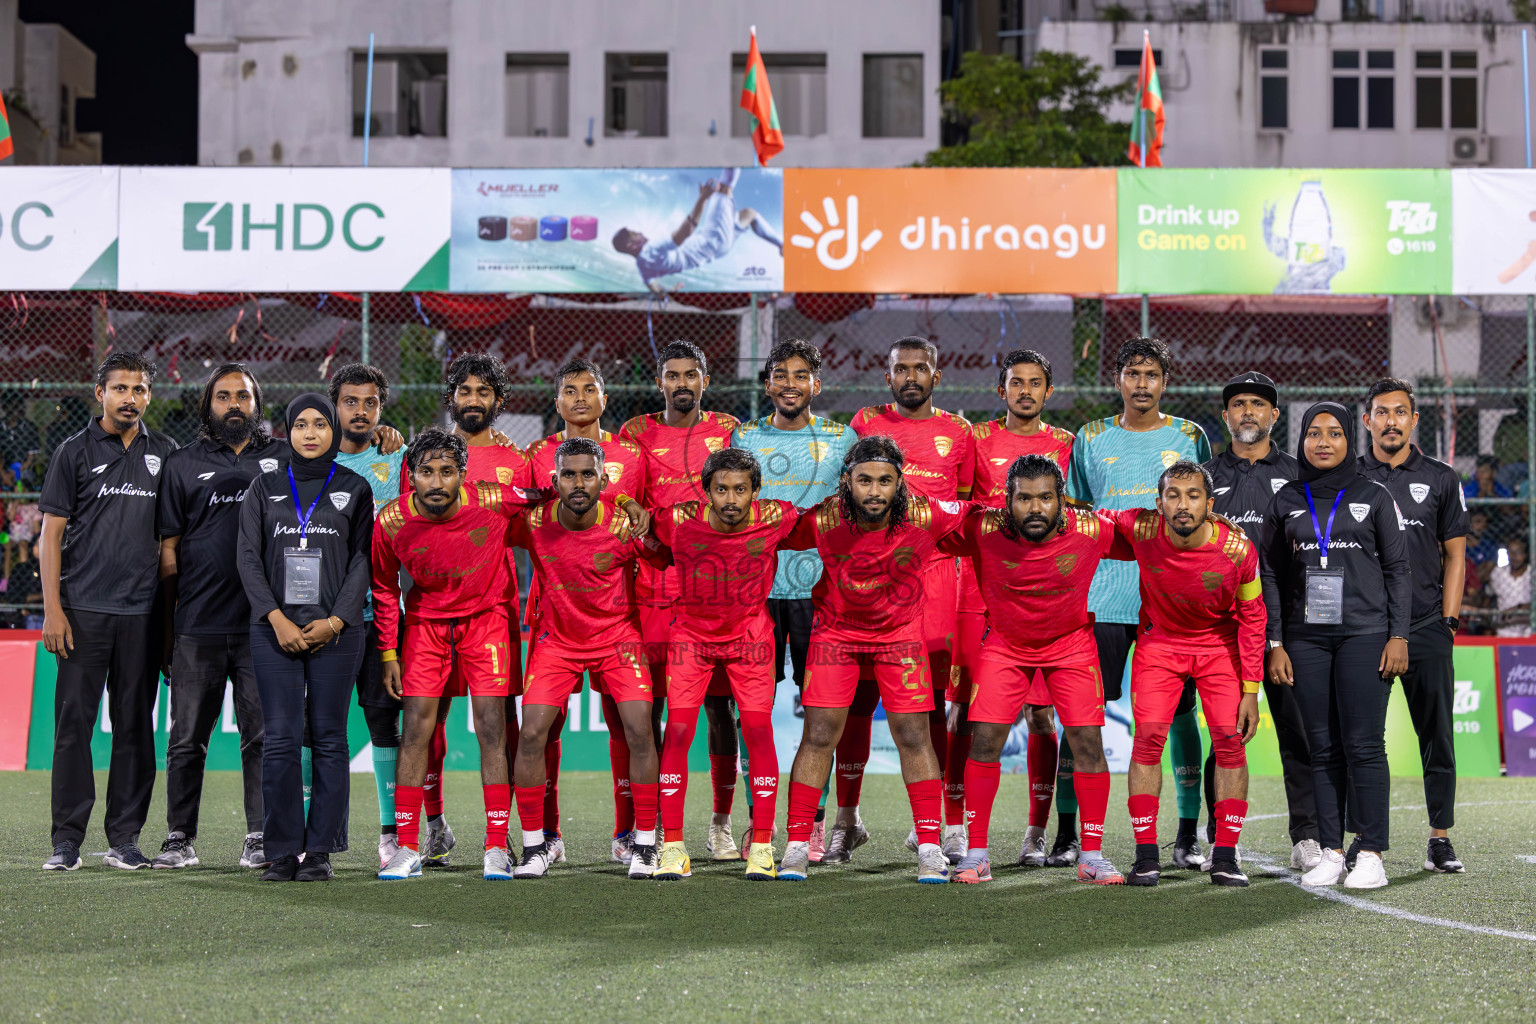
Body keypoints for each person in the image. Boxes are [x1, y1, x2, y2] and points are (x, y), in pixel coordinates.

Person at [775, 435, 970, 884]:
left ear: (901, 482)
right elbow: (767, 528)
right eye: (864, 480)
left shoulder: (927, 514)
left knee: (913, 735)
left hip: (899, 637)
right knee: (819, 733)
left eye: (885, 481)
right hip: (836, 635)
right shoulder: (824, 518)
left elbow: (984, 517)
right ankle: (798, 845)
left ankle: (928, 847)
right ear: (848, 481)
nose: (875, 491)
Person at [938, 455, 1123, 885]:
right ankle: (977, 853)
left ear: (1062, 500)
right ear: (1008, 500)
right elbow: (925, 523)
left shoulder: (1092, 529)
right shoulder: (982, 528)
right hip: (1005, 646)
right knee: (982, 741)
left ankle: (1092, 855)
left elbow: (1151, 530)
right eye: (1024, 498)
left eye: (1045, 498)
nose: (1035, 508)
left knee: (1089, 746)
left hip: (1071, 646)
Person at [371, 429, 547, 881]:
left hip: (486, 622)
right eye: (426, 472)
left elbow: (549, 492)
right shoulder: (390, 521)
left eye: (446, 472)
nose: (436, 482)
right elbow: (385, 588)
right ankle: (407, 848)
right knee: (415, 732)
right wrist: (388, 652)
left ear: (463, 475)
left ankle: (494, 847)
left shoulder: (493, 499)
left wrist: (626, 508)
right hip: (426, 626)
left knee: (492, 728)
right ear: (410, 477)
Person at [1065, 336, 1212, 870]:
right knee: (1082, 716)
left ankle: (1187, 835)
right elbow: (1077, 515)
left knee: (1179, 717)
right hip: (1102, 597)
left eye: (1152, 374)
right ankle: (1067, 835)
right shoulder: (1090, 437)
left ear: (1165, 382)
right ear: (1119, 380)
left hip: (1167, 602)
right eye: (1132, 373)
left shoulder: (1189, 436)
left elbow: (1201, 516)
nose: (1142, 384)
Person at [1261, 402, 1411, 890]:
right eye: (1313, 434)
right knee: (1321, 747)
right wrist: (1277, 641)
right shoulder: (1285, 499)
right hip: (1305, 640)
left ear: (1351, 440)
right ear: (1301, 440)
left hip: (1366, 636)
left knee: (1364, 745)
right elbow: (1270, 575)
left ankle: (1370, 851)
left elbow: (1398, 571)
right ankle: (1330, 851)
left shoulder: (1375, 494)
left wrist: (1399, 635)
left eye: (1335, 433)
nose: (1323, 442)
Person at [39, 352, 178, 871]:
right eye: (120, 388)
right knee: (73, 726)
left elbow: (171, 545)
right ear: (100, 393)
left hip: (141, 615)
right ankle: (66, 842)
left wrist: (168, 622)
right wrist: (52, 609)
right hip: (81, 612)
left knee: (135, 726)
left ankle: (125, 837)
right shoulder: (72, 452)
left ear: (148, 396)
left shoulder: (165, 452)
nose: (130, 398)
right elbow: (51, 536)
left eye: (139, 389)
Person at [505, 438, 665, 879]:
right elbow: (489, 509)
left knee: (639, 728)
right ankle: (536, 845)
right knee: (532, 731)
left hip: (617, 638)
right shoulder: (534, 521)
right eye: (569, 475)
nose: (579, 483)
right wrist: (530, 494)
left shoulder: (622, 526)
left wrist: (643, 524)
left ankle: (646, 844)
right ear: (554, 480)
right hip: (557, 640)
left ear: (604, 479)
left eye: (588, 474)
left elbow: (666, 557)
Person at [236, 393, 375, 882]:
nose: (311, 433)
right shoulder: (264, 488)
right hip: (274, 632)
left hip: (337, 633)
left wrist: (337, 621)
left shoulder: (354, 488)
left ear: (333, 431)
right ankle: (281, 851)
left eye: (320, 423)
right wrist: (276, 618)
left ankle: (319, 851)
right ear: (287, 431)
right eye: (300, 424)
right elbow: (248, 560)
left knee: (331, 739)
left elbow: (363, 561)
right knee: (280, 740)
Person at [647, 448, 803, 882]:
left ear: (756, 491)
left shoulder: (777, 517)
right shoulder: (677, 521)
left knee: (756, 730)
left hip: (751, 637)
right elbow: (645, 528)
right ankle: (674, 847)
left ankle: (762, 847)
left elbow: (821, 529)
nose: (730, 499)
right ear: (706, 492)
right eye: (721, 490)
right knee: (678, 730)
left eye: (740, 490)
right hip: (691, 636)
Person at [1110, 462, 1265, 888]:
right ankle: (1145, 857)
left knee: (1230, 744)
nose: (1182, 504)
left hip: (1219, 646)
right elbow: (1085, 524)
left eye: (1193, 495)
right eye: (1173, 495)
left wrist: (1250, 689)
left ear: (1210, 505)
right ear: (1159, 503)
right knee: (1146, 741)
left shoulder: (1237, 550)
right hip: (1160, 644)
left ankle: (1226, 857)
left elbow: (1253, 618)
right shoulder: (1142, 529)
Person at [850, 337, 974, 862]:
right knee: (859, 698)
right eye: (901, 368)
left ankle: (947, 822)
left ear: (936, 376)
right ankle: (845, 819)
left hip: (942, 583)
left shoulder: (959, 432)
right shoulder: (865, 423)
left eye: (920, 368)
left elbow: (965, 511)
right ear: (888, 377)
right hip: (877, 584)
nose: (911, 377)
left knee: (943, 706)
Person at [732, 339, 857, 862]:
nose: (789, 383)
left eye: (800, 375)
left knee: (821, 714)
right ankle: (756, 823)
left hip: (818, 595)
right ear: (768, 385)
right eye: (780, 374)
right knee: (749, 714)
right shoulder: (743, 437)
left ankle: (812, 823)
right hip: (755, 592)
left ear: (816, 385)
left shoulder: (842, 438)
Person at [152, 364, 280, 872]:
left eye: (242, 396)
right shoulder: (182, 464)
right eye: (223, 396)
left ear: (256, 404)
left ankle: (260, 836)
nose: (233, 405)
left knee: (263, 737)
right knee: (186, 740)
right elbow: (167, 554)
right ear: (208, 406)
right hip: (197, 626)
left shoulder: (284, 457)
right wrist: (167, 631)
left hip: (263, 627)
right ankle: (179, 837)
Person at [619, 340, 743, 861]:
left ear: (705, 380)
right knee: (650, 714)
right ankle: (642, 831)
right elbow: (622, 491)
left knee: (719, 710)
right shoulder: (635, 434)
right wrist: (628, 502)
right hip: (651, 588)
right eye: (673, 375)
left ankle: (719, 824)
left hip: (712, 592)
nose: (682, 384)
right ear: (660, 381)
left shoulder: (729, 430)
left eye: (691, 374)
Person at [525, 358, 647, 861]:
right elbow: (524, 511)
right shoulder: (535, 455)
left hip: (615, 603)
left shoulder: (632, 454)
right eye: (569, 390)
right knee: (543, 726)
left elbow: (641, 519)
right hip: (553, 604)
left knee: (628, 723)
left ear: (604, 397)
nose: (579, 398)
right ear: (556, 402)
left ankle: (629, 836)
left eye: (589, 389)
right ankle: (546, 836)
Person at [963, 349, 1075, 868]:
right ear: (1000, 389)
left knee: (1042, 716)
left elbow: (1075, 516)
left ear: (1048, 392)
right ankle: (959, 832)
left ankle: (1036, 831)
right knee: (970, 713)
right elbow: (965, 512)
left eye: (1035, 383)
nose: (1025, 391)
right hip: (985, 594)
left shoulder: (1067, 445)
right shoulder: (976, 439)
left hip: (1048, 595)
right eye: (1016, 383)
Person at [1204, 371, 1319, 873]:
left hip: (1289, 630)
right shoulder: (1203, 478)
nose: (1247, 412)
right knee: (1224, 735)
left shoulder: (1300, 474)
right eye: (1238, 404)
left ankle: (1308, 837)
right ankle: (1215, 840)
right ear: (1225, 416)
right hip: (1221, 632)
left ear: (1275, 415)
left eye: (1258, 404)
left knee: (1299, 732)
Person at [1358, 377, 1469, 874]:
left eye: (1400, 412)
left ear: (1414, 419)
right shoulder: (1348, 476)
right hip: (1366, 629)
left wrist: (1446, 621)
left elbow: (1456, 555)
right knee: (1359, 740)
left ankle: (1440, 837)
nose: (1391, 421)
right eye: (1381, 412)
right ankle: (1361, 841)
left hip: (1425, 626)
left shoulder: (1442, 478)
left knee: (1437, 737)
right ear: (1367, 422)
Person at [434, 353, 531, 866]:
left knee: (497, 724)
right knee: (426, 723)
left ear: (498, 401)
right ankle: (432, 825)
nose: (473, 400)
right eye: (465, 391)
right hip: (429, 610)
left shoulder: (517, 463)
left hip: (492, 608)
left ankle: (500, 838)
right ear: (452, 396)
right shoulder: (424, 455)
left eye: (483, 392)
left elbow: (532, 534)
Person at [329, 363, 411, 870]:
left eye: (371, 403)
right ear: (333, 405)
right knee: (321, 727)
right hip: (325, 620)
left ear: (381, 408)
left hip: (382, 617)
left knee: (385, 724)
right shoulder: (309, 456)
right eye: (350, 402)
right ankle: (317, 835)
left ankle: (391, 836)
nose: (360, 411)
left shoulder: (397, 457)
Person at [612, 168, 783, 293]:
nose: (640, 232)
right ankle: (735, 151)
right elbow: (685, 232)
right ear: (631, 246)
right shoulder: (652, 249)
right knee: (724, 188)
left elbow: (654, 288)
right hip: (712, 239)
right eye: (635, 234)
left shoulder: (643, 266)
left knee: (749, 214)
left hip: (718, 250)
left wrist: (671, 290)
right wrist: (702, 199)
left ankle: (782, 246)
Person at [1488, 537, 1531, 638]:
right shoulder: (1498, 573)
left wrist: (1519, 608)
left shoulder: (1532, 574)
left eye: (1518, 552)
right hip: (1503, 630)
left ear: (1525, 554)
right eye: (1510, 552)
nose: (1514, 556)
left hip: (1528, 630)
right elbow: (1489, 597)